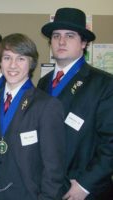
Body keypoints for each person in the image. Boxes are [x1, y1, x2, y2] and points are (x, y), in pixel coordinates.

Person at [0, 33, 66, 200]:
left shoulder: (47, 105)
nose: (12, 65)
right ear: (0, 61)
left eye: (21, 59)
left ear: (31, 63)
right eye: (7, 58)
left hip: (28, 194)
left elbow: (54, 168)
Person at [38, 7, 113, 200]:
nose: (61, 41)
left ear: (84, 43)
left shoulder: (104, 84)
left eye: (70, 36)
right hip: (46, 187)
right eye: (56, 36)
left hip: (84, 190)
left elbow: (110, 143)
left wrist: (85, 185)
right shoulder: (43, 83)